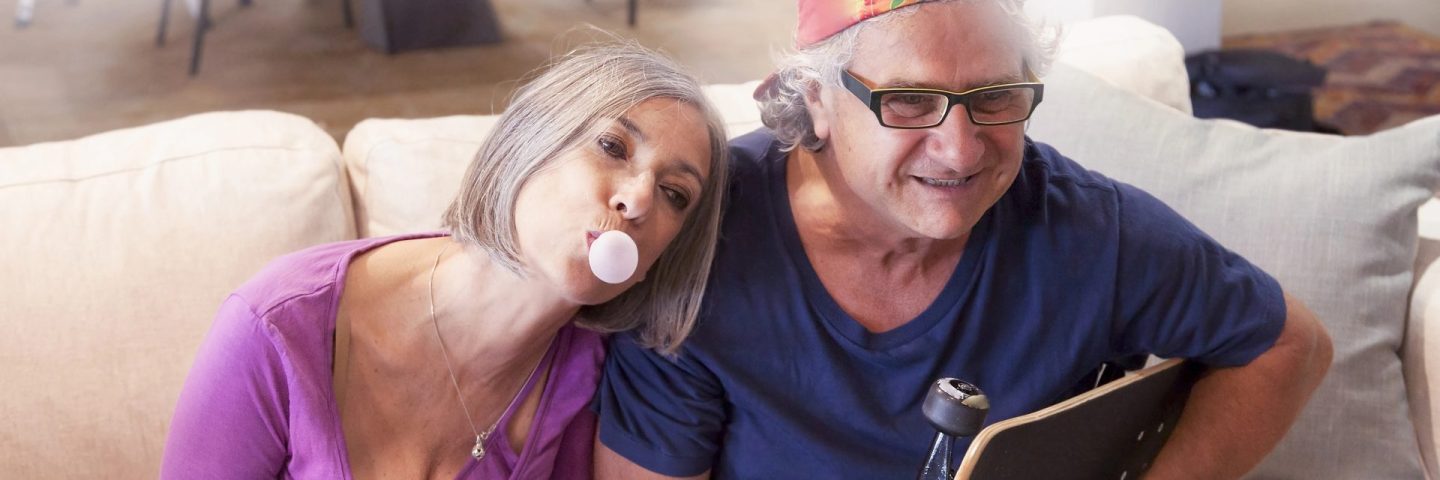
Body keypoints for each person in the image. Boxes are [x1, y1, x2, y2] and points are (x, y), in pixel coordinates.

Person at [591, 1, 1333, 479]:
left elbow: (1287, 346)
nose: (962, 149)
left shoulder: (1088, 233)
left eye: (995, 97)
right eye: (909, 101)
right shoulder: (701, 237)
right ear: (815, 100)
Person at [160, 43, 730, 479]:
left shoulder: (609, 385)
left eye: (674, 194)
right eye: (612, 146)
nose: (639, 199)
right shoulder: (278, 325)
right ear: (529, 142)